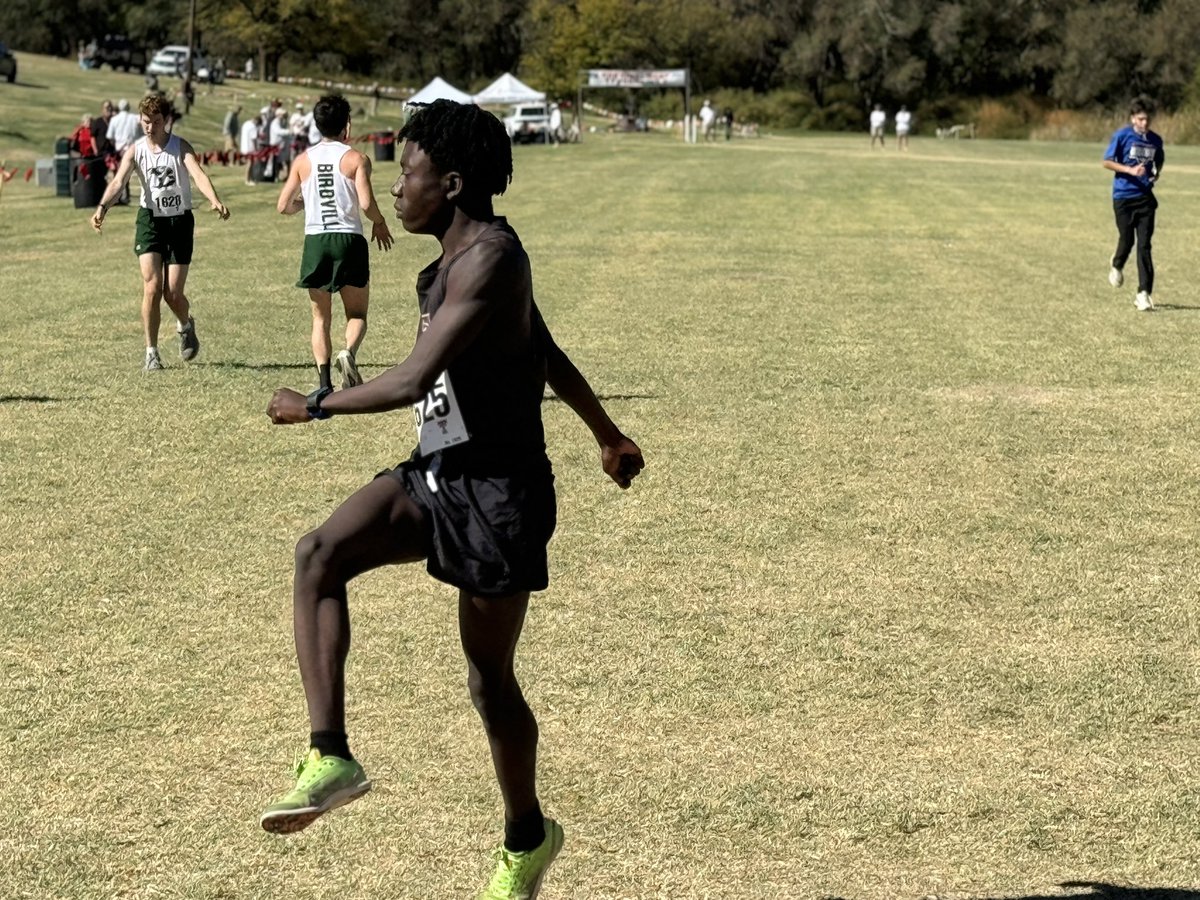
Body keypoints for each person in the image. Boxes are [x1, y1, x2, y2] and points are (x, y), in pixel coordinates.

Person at [260, 99, 645, 900]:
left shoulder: (493, 259)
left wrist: (317, 404)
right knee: (318, 553)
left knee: (488, 682)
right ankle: (330, 753)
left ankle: (526, 837)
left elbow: (410, 381)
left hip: (500, 498)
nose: (398, 189)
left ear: (454, 183)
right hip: (437, 473)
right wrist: (606, 433)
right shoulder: (452, 260)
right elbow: (544, 347)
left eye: (411, 174)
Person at [90, 93, 231, 371]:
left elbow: (199, 174)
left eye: (156, 121)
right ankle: (151, 353)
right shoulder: (136, 150)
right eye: (146, 121)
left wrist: (214, 199)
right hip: (151, 221)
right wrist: (103, 207)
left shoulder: (180, 147)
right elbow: (118, 182)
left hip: (179, 222)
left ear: (166, 121)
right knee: (152, 287)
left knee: (173, 294)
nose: (150, 127)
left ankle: (185, 324)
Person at [276, 94, 393, 393]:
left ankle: (324, 383)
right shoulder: (356, 158)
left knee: (320, 318)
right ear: (347, 126)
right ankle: (348, 353)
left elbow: (283, 205)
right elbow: (366, 203)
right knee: (356, 314)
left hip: (316, 240)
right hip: (348, 239)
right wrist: (379, 222)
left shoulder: (303, 160)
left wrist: (306, 204)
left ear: (317, 125)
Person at [1103, 95, 1165, 312]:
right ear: (1132, 119)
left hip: (1145, 199)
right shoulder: (1121, 136)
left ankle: (1143, 293)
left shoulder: (1155, 140)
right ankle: (1117, 263)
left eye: (1147, 119)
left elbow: (1158, 161)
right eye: (1140, 119)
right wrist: (1130, 170)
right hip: (1123, 198)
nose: (1144, 123)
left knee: (1145, 245)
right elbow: (1107, 162)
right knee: (1127, 240)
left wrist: (1155, 175)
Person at [240, 114, 261, 185]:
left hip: (244, 147)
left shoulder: (246, 123)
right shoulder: (253, 127)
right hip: (250, 148)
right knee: (250, 164)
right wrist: (256, 149)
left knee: (250, 164)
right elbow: (254, 139)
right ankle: (247, 180)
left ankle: (250, 178)